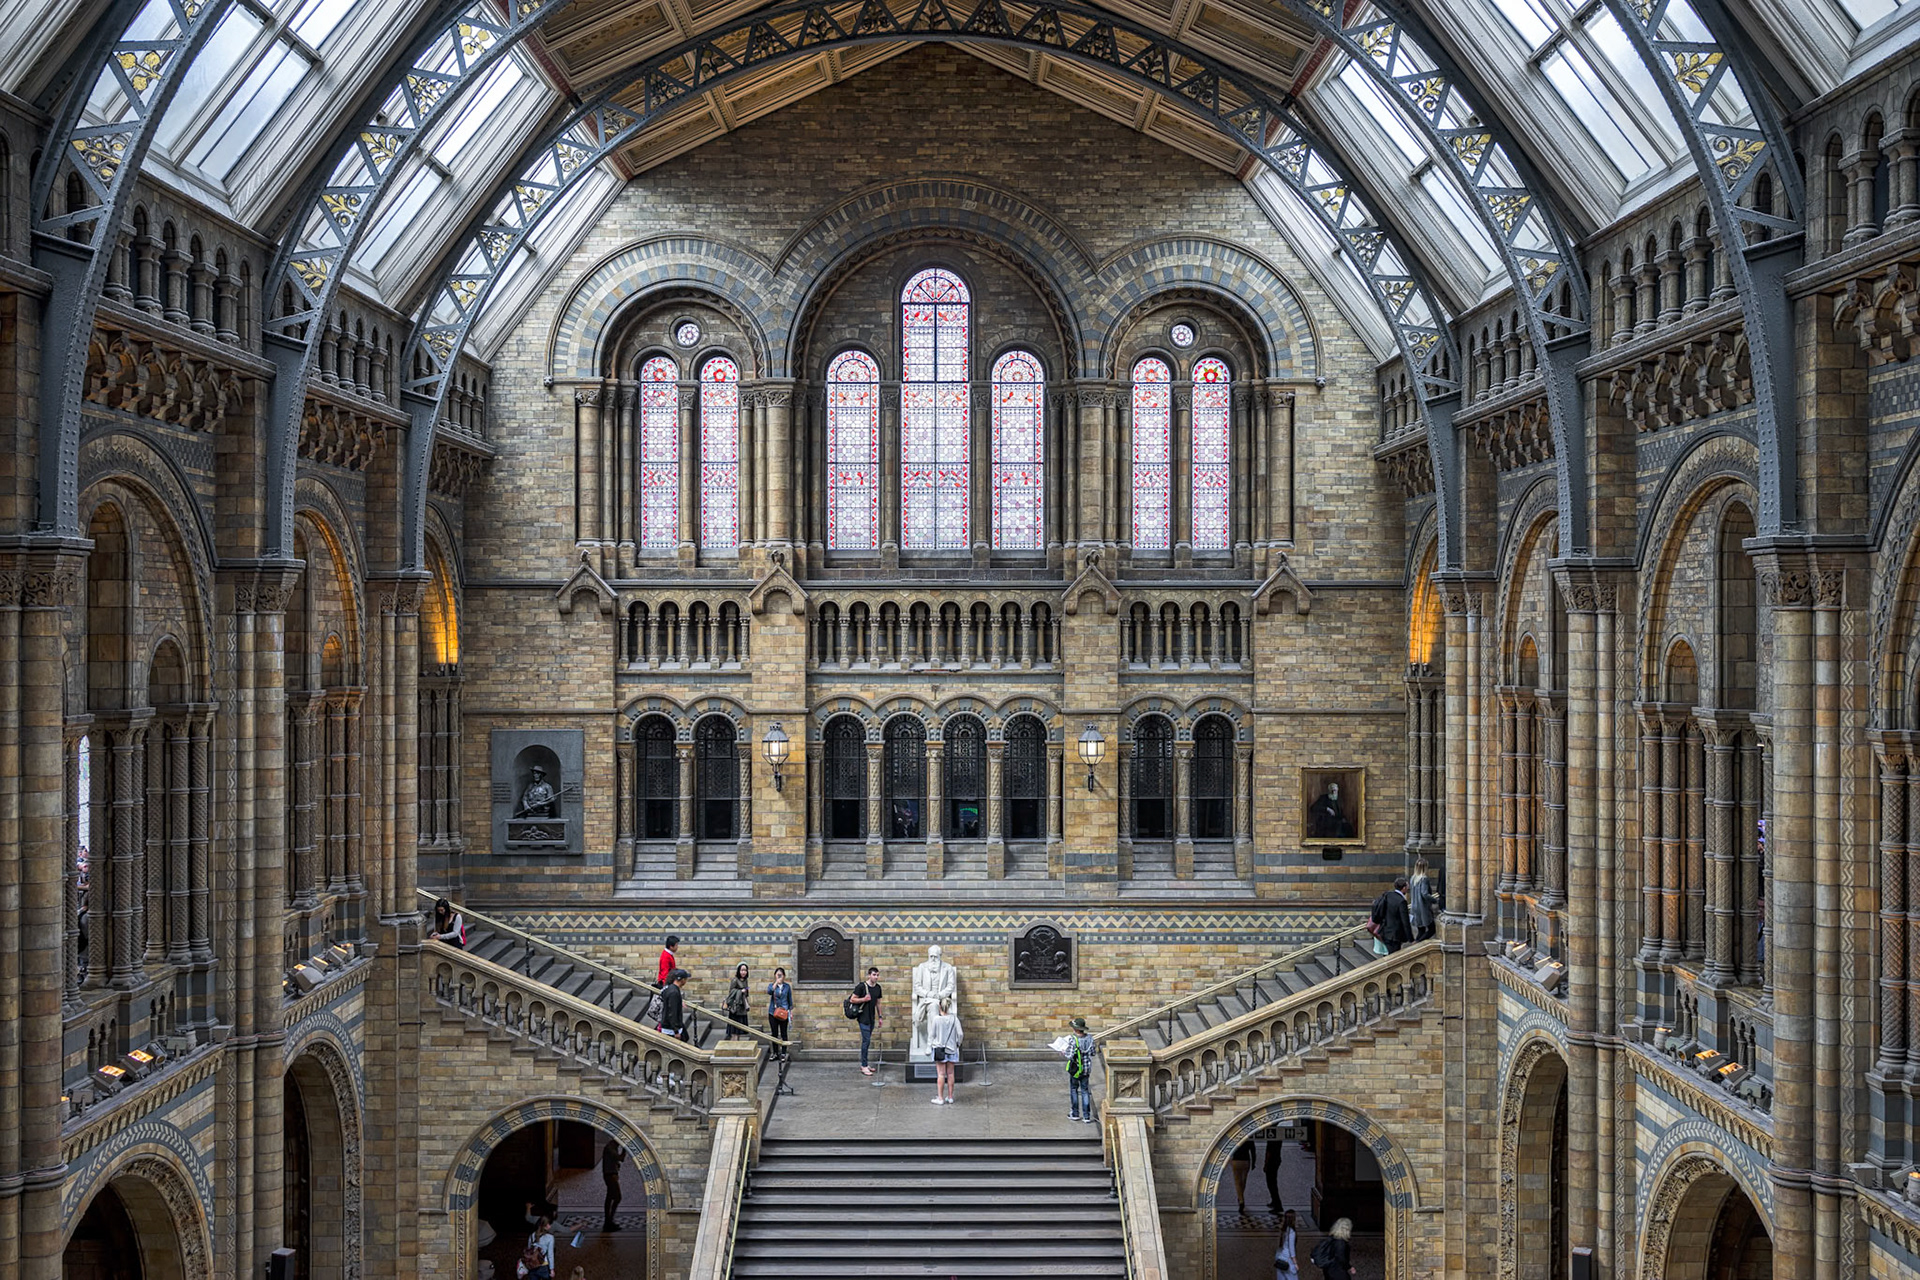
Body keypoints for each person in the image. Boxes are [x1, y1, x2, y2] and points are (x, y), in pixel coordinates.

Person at [927, 996, 962, 1105]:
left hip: (939, 1050)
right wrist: (957, 1044)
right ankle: (950, 1097)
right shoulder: (954, 1019)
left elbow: (932, 1035)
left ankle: (940, 1098)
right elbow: (960, 1034)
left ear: (939, 1006)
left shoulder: (936, 1019)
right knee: (951, 1074)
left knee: (941, 1074)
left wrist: (930, 1045)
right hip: (952, 1049)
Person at [1063, 1016, 1098, 1124]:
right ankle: (1086, 1116)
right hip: (1086, 1069)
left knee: (1074, 1089)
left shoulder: (1073, 1040)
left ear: (1076, 1029)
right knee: (1085, 1091)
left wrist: (1063, 1052)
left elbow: (1069, 1055)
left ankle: (1075, 1113)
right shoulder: (1090, 1039)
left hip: (1075, 1069)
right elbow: (1093, 1053)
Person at [851, 966, 883, 1075]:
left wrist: (880, 1017)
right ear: (869, 975)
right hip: (863, 1018)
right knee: (866, 1041)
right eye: (874, 975)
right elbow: (852, 999)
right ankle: (864, 1066)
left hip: (871, 1018)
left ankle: (865, 1063)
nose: (876, 977)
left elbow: (878, 1003)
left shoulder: (878, 988)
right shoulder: (861, 986)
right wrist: (863, 999)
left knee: (867, 1042)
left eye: (877, 975)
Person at [1372, 876, 1414, 954]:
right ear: (1404, 888)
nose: (1408, 889)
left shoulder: (1388, 895)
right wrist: (1411, 939)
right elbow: (1405, 922)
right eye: (1407, 887)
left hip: (1385, 932)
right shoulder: (1401, 901)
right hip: (1394, 936)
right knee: (1393, 957)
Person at [1409, 857, 1440, 941]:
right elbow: (1424, 894)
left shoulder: (1413, 878)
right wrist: (1435, 900)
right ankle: (1417, 943)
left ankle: (1416, 943)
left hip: (1414, 908)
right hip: (1422, 908)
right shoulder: (1424, 879)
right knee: (1432, 929)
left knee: (1421, 930)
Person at [767, 966, 793, 1062]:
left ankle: (783, 1053)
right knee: (774, 1033)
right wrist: (776, 983)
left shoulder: (787, 986)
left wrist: (790, 1012)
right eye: (777, 975)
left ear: (784, 976)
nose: (779, 976)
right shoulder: (772, 985)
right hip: (773, 1013)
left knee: (784, 1033)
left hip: (784, 1012)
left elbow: (790, 1000)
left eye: (780, 975)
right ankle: (775, 1053)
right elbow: (769, 992)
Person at [600, 1138, 625, 1233]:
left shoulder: (612, 1147)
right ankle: (608, 1221)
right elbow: (621, 1158)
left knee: (610, 1197)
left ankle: (609, 1221)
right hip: (610, 1176)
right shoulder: (610, 1148)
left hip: (610, 1175)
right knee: (616, 1197)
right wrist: (625, 1149)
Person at [659, 968, 690, 1040]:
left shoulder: (670, 989)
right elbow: (672, 1012)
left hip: (669, 1027)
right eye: (685, 979)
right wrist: (676, 1031)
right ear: (682, 980)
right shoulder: (674, 993)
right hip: (671, 1030)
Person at [725, 962, 751, 1038]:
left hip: (742, 1009)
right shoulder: (735, 980)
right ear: (738, 971)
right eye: (742, 970)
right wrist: (740, 991)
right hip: (735, 1009)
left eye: (745, 970)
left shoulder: (745, 980)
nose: (743, 972)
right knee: (734, 1032)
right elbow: (731, 993)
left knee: (739, 1032)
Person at [1229, 1138, 1254, 1212]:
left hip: (1236, 1160)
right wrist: (1253, 1162)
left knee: (1237, 1181)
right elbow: (1253, 1150)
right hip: (1246, 1160)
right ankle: (1240, 1196)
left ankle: (1241, 1199)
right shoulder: (1249, 1138)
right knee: (1243, 1180)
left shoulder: (1236, 1137)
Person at [1273, 1208, 1299, 1276]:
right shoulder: (1292, 1232)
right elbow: (1291, 1249)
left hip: (1280, 1256)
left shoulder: (1285, 1229)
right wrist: (1295, 1263)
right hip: (1288, 1259)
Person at [1263, 1136, 1284, 1210]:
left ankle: (1278, 1204)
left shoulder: (1271, 1138)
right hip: (1277, 1159)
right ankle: (1274, 1201)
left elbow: (1269, 1151)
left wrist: (1266, 1164)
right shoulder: (1279, 1137)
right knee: (1273, 1183)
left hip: (1271, 1162)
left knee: (1271, 1183)